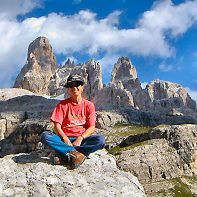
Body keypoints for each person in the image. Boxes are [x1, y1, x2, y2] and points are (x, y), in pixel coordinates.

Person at [41, 74, 105, 169]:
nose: (74, 87)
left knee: (100, 140)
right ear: (68, 89)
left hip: (82, 141)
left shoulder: (89, 105)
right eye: (71, 85)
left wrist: (80, 138)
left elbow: (92, 127)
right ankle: (77, 154)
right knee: (45, 136)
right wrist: (65, 138)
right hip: (64, 140)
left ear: (82, 87)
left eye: (77, 84)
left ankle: (65, 154)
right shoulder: (62, 105)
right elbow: (56, 126)